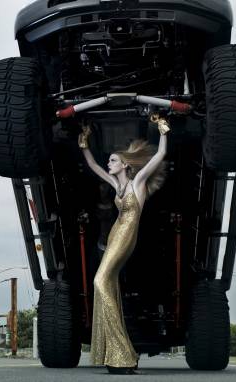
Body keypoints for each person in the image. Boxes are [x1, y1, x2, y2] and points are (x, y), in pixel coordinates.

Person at [78, 116, 169, 374]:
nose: (109, 163)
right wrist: (85, 143)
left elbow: (160, 154)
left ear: (125, 164)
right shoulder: (115, 184)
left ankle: (122, 352)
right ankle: (121, 354)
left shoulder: (137, 183)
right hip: (115, 233)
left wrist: (163, 130)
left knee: (99, 281)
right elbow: (93, 164)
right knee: (106, 285)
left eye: (114, 160)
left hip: (128, 234)